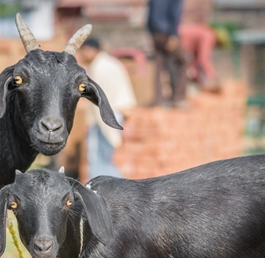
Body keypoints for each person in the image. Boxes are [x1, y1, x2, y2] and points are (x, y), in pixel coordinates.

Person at [77, 37, 137, 180]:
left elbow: (97, 100)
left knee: (98, 160)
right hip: (115, 115)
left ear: (90, 50)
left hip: (103, 117)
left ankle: (114, 190)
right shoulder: (112, 63)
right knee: (104, 159)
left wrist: (91, 122)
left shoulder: (98, 68)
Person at [147, 0, 187, 108]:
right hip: (167, 33)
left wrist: (151, 32)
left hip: (155, 33)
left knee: (159, 66)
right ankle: (178, 98)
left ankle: (158, 100)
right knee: (181, 62)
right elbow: (175, 12)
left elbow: (149, 14)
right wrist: (174, 34)